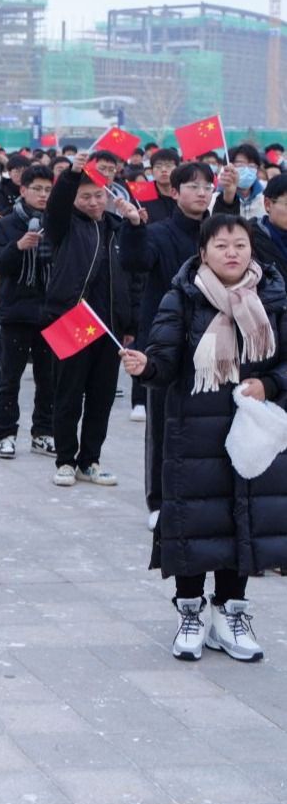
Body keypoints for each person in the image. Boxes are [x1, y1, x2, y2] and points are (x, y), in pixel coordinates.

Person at [122, 215, 287, 662]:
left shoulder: (273, 295)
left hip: (251, 431)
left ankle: (231, 613)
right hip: (193, 432)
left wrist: (269, 386)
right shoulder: (184, 298)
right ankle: (190, 612)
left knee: (244, 519)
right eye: (221, 246)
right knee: (195, 523)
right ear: (203, 253)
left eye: (240, 244)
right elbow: (165, 359)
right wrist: (146, 367)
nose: (232, 253)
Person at [120, 162, 214, 529]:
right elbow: (134, 260)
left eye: (207, 185)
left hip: (214, 341)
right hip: (168, 342)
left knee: (209, 423)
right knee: (162, 423)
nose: (202, 192)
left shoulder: (217, 231)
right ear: (174, 192)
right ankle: (158, 500)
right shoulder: (159, 233)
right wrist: (132, 227)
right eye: (193, 186)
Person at [43, 155, 140, 488]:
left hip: (109, 328)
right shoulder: (64, 226)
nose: (93, 202)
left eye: (98, 195)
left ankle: (90, 460)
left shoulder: (117, 230)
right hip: (73, 321)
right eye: (85, 196)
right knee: (68, 394)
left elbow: (134, 277)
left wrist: (130, 325)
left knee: (102, 397)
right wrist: (71, 174)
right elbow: (56, 206)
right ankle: (66, 460)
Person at [0, 165, 57, 459]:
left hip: (50, 313)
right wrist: (18, 247)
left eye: (47, 189)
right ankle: (6, 434)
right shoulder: (7, 225)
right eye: (37, 189)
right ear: (23, 190)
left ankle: (43, 432)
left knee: (49, 379)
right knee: (10, 378)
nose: (42, 195)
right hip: (16, 312)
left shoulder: (57, 223)